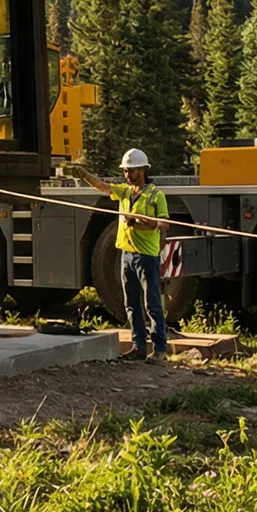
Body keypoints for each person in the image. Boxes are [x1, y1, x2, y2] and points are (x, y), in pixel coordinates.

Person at [79, 148, 169, 360]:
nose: (128, 175)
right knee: (131, 303)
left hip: (146, 255)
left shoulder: (156, 195)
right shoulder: (125, 192)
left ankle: (159, 349)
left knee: (152, 304)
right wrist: (84, 175)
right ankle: (138, 346)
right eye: (126, 171)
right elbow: (103, 187)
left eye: (132, 171)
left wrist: (139, 223)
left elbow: (164, 224)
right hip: (126, 255)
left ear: (143, 170)